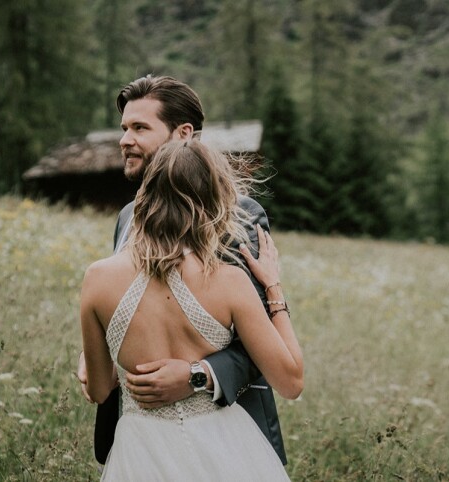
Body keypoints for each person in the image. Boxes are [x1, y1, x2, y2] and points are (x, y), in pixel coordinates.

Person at [76, 75, 290, 466]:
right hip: (141, 436)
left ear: (183, 133)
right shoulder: (127, 217)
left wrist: (198, 373)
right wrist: (98, 352)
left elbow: (259, 340)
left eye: (140, 128)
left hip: (226, 433)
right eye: (124, 128)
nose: (125, 140)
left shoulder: (236, 216)